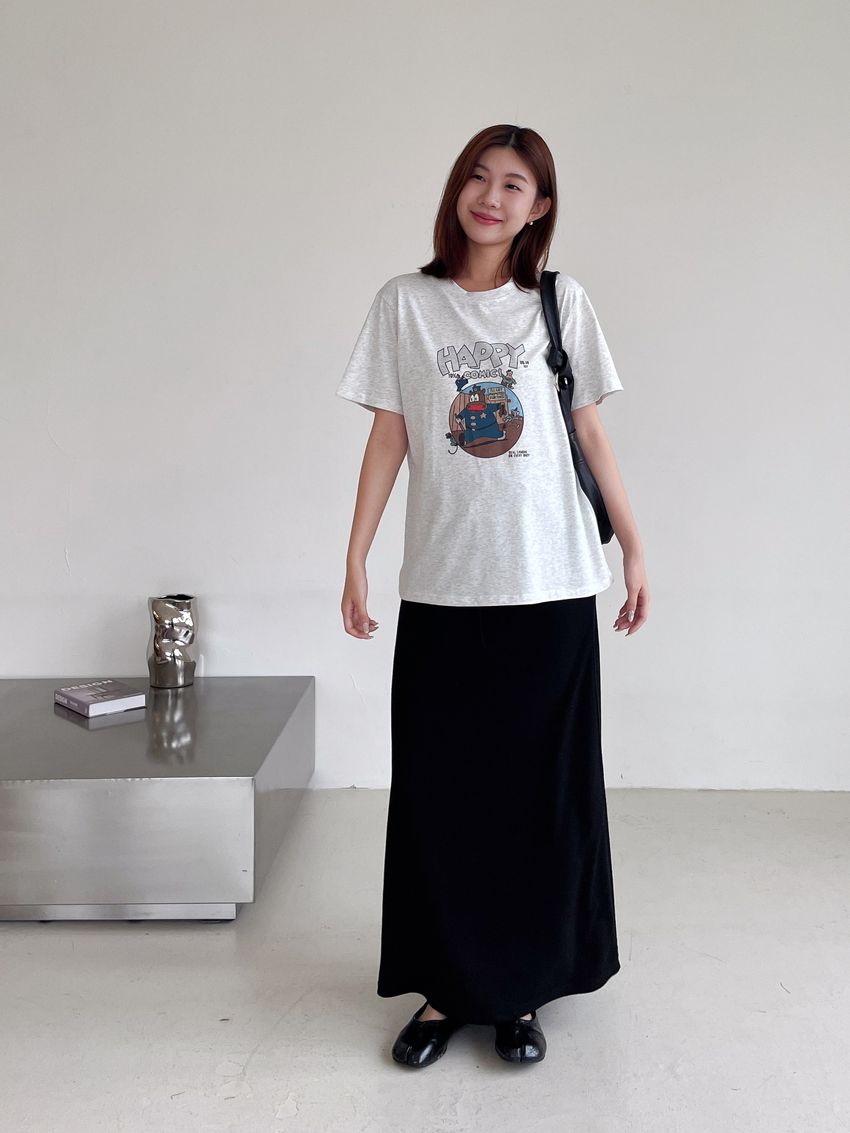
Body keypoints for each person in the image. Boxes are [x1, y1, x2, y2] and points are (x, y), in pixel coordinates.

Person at [336, 123, 650, 1069]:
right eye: (479, 176)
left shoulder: (560, 301)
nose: (491, 196)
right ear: (457, 189)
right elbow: (389, 436)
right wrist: (355, 555)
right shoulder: (406, 303)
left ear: (538, 207)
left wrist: (636, 546)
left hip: (551, 583)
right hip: (445, 587)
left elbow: (589, 433)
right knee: (443, 795)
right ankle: (445, 989)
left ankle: (522, 988)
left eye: (515, 184)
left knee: (538, 796)